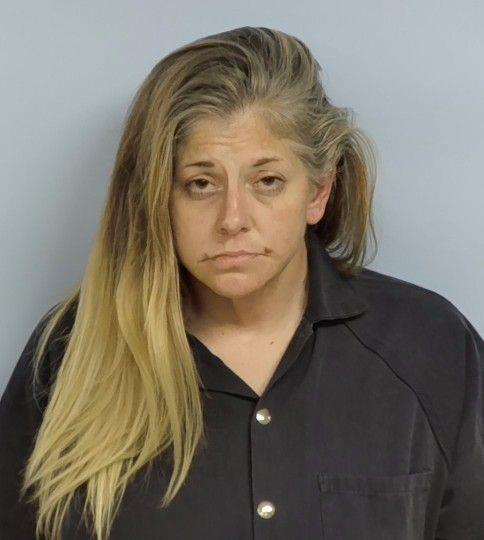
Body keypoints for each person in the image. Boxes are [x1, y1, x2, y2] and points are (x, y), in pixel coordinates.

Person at [1, 26, 483, 540]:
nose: (232, 219)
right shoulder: (69, 356)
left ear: (318, 193)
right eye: (200, 184)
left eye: (267, 181)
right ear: (159, 197)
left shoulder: (431, 347)